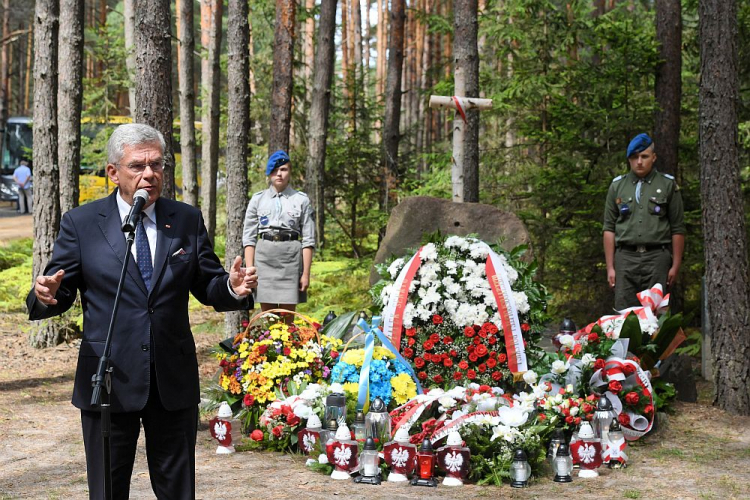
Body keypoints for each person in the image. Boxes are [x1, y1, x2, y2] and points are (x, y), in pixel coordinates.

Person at [26, 123, 257, 499]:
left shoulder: (186, 220)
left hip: (171, 378)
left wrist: (232, 287)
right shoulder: (82, 224)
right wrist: (47, 295)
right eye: (138, 166)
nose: (149, 174)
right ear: (114, 173)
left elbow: (210, 286)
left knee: (177, 490)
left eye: (157, 165)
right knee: (107, 489)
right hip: (109, 378)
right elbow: (60, 288)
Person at [603, 133, 685, 310]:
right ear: (629, 159)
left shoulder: (667, 185)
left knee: (657, 316)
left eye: (644, 156)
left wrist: (675, 265)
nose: (639, 161)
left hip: (657, 258)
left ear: (653, 158)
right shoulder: (617, 186)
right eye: (634, 157)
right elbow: (609, 228)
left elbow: (677, 228)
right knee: (624, 315)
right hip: (625, 259)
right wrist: (610, 267)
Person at [242, 150, 315, 312]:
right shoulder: (258, 199)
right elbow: (249, 237)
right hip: (264, 259)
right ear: (269, 174)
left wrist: (306, 274)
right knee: (268, 315)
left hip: (291, 259)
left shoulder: (301, 200)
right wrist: (249, 269)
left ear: (290, 171)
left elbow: (309, 240)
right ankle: (270, 338)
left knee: (287, 315)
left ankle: (287, 338)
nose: (279, 174)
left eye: (283, 169)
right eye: (275, 170)